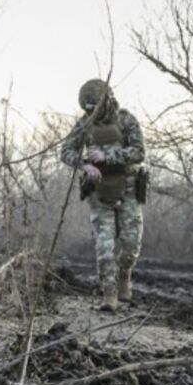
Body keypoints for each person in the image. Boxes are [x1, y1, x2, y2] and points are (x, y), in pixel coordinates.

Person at [61, 78, 147, 311]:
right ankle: (109, 292)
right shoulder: (84, 124)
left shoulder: (126, 120)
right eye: (87, 110)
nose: (91, 113)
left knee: (131, 244)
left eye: (94, 108)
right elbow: (66, 151)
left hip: (128, 188)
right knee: (104, 247)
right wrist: (84, 164)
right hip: (99, 190)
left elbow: (139, 152)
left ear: (106, 101)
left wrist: (107, 157)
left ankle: (124, 275)